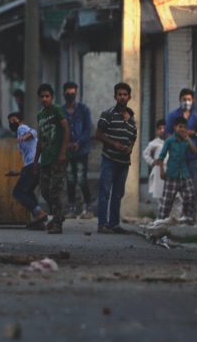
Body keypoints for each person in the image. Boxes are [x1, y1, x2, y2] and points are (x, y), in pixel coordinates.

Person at [95, 82, 137, 234]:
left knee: (118, 194)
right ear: (115, 96)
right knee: (105, 191)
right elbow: (98, 134)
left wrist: (130, 148)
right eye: (119, 94)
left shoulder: (131, 118)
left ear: (129, 97)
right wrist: (115, 144)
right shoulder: (108, 114)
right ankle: (102, 224)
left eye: (125, 94)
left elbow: (134, 137)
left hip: (124, 162)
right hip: (109, 159)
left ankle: (114, 224)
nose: (122, 97)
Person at [33, 83, 70, 234]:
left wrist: (63, 152)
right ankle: (57, 217)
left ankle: (57, 224)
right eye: (42, 97)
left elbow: (66, 129)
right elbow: (40, 139)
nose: (44, 99)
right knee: (44, 190)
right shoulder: (40, 115)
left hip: (57, 157)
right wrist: (36, 160)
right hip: (46, 157)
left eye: (47, 96)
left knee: (55, 190)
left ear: (52, 97)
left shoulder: (57, 110)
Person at [164, 88, 197, 220]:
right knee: (172, 192)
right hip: (176, 160)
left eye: (189, 99)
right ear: (180, 100)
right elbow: (166, 134)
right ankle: (169, 217)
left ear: (192, 101)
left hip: (192, 159)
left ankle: (190, 217)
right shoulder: (172, 116)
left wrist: (193, 134)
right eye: (184, 99)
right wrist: (178, 135)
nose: (186, 102)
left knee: (193, 191)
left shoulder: (196, 117)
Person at [5, 112, 49, 230]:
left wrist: (25, 136)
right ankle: (38, 221)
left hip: (33, 164)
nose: (11, 123)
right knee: (28, 191)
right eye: (9, 122)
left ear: (21, 121)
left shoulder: (21, 128)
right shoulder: (19, 135)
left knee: (18, 192)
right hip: (35, 164)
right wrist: (16, 173)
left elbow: (34, 132)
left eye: (13, 120)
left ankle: (39, 213)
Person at [152, 117, 197, 226]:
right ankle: (160, 223)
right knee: (167, 201)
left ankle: (187, 218)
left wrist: (189, 140)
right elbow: (161, 157)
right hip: (172, 174)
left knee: (191, 195)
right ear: (175, 127)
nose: (182, 129)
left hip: (184, 174)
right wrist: (162, 172)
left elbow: (195, 152)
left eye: (184, 127)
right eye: (180, 127)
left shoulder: (186, 141)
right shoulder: (169, 140)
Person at [61, 81, 94, 219]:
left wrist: (78, 142)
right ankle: (72, 210)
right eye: (68, 93)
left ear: (77, 94)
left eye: (73, 93)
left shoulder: (83, 109)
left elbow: (88, 129)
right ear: (63, 94)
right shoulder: (61, 111)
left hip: (81, 151)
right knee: (70, 179)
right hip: (67, 151)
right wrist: (66, 144)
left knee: (81, 179)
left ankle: (88, 208)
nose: (70, 96)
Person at [142, 119, 182, 220]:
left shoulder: (174, 140)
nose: (162, 130)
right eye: (159, 128)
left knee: (176, 196)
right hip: (159, 171)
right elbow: (145, 153)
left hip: (172, 170)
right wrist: (152, 162)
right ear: (157, 130)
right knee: (160, 196)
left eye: (164, 128)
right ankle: (161, 219)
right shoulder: (154, 143)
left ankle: (179, 218)